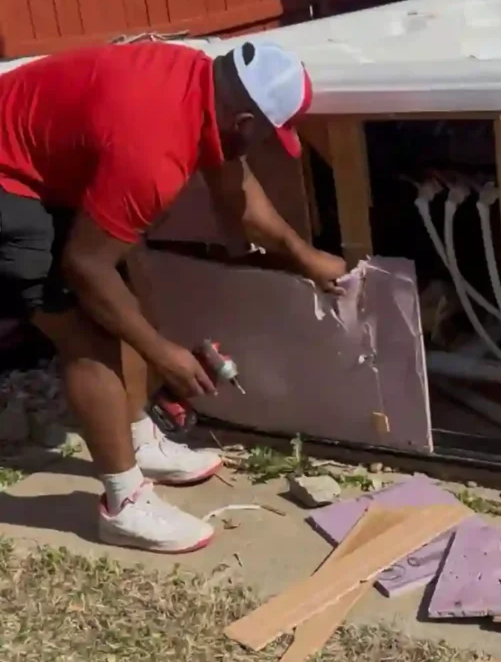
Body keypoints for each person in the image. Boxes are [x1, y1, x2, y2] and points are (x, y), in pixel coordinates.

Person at [0, 39, 347, 553]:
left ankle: (137, 438)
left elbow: (237, 193)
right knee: (86, 332)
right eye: (270, 135)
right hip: (7, 179)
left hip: (31, 159)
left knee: (126, 281)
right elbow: (86, 266)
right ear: (245, 121)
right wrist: (163, 353)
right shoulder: (154, 147)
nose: (265, 145)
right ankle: (123, 502)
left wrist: (306, 256)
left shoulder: (204, 87)